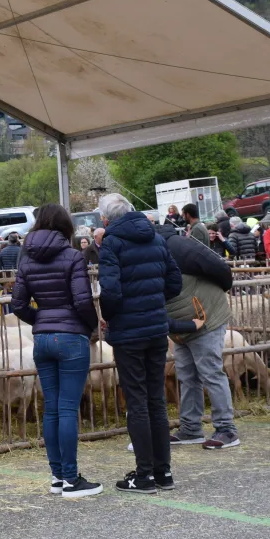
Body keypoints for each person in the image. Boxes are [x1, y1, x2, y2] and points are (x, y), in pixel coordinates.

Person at [11, 204, 101, 498]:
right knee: (67, 409)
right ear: (65, 225)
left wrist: (42, 320)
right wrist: (90, 327)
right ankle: (72, 480)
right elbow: (83, 301)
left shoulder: (27, 259)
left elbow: (18, 304)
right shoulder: (74, 256)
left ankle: (57, 476)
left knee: (51, 408)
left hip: (42, 340)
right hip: (72, 338)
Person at [97, 194, 182, 494]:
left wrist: (109, 317)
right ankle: (164, 471)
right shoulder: (156, 238)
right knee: (156, 399)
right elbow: (175, 282)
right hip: (157, 329)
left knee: (137, 402)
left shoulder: (111, 243)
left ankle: (144, 474)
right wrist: (154, 301)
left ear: (106, 219)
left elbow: (110, 290)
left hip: (129, 332)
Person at [158, 223, 240, 449]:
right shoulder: (146, 254)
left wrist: (222, 288)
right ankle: (191, 428)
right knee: (186, 375)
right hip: (182, 326)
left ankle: (226, 429)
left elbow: (218, 267)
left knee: (211, 372)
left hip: (206, 317)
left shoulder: (177, 247)